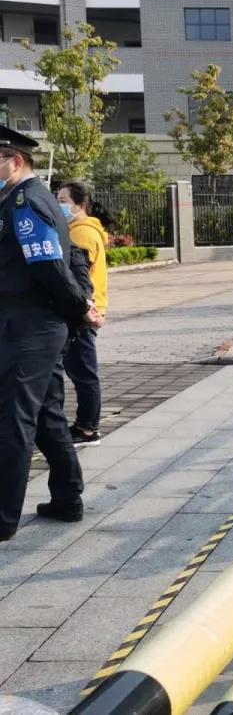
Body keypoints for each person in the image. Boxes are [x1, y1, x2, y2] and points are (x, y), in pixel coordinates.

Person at [0, 125, 98, 542]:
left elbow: (50, 266)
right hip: (29, 324)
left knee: (14, 418)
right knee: (44, 415)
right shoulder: (15, 199)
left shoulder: (25, 201)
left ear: (14, 161)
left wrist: (79, 308)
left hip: (32, 327)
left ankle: (3, 518)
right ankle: (67, 498)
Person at [58, 181, 113, 446]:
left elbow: (80, 278)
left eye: (63, 200)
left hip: (84, 312)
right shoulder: (88, 230)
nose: (59, 205)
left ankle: (88, 429)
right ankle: (85, 425)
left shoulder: (80, 234)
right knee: (82, 371)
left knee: (83, 373)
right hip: (90, 309)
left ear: (79, 206)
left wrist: (86, 311)